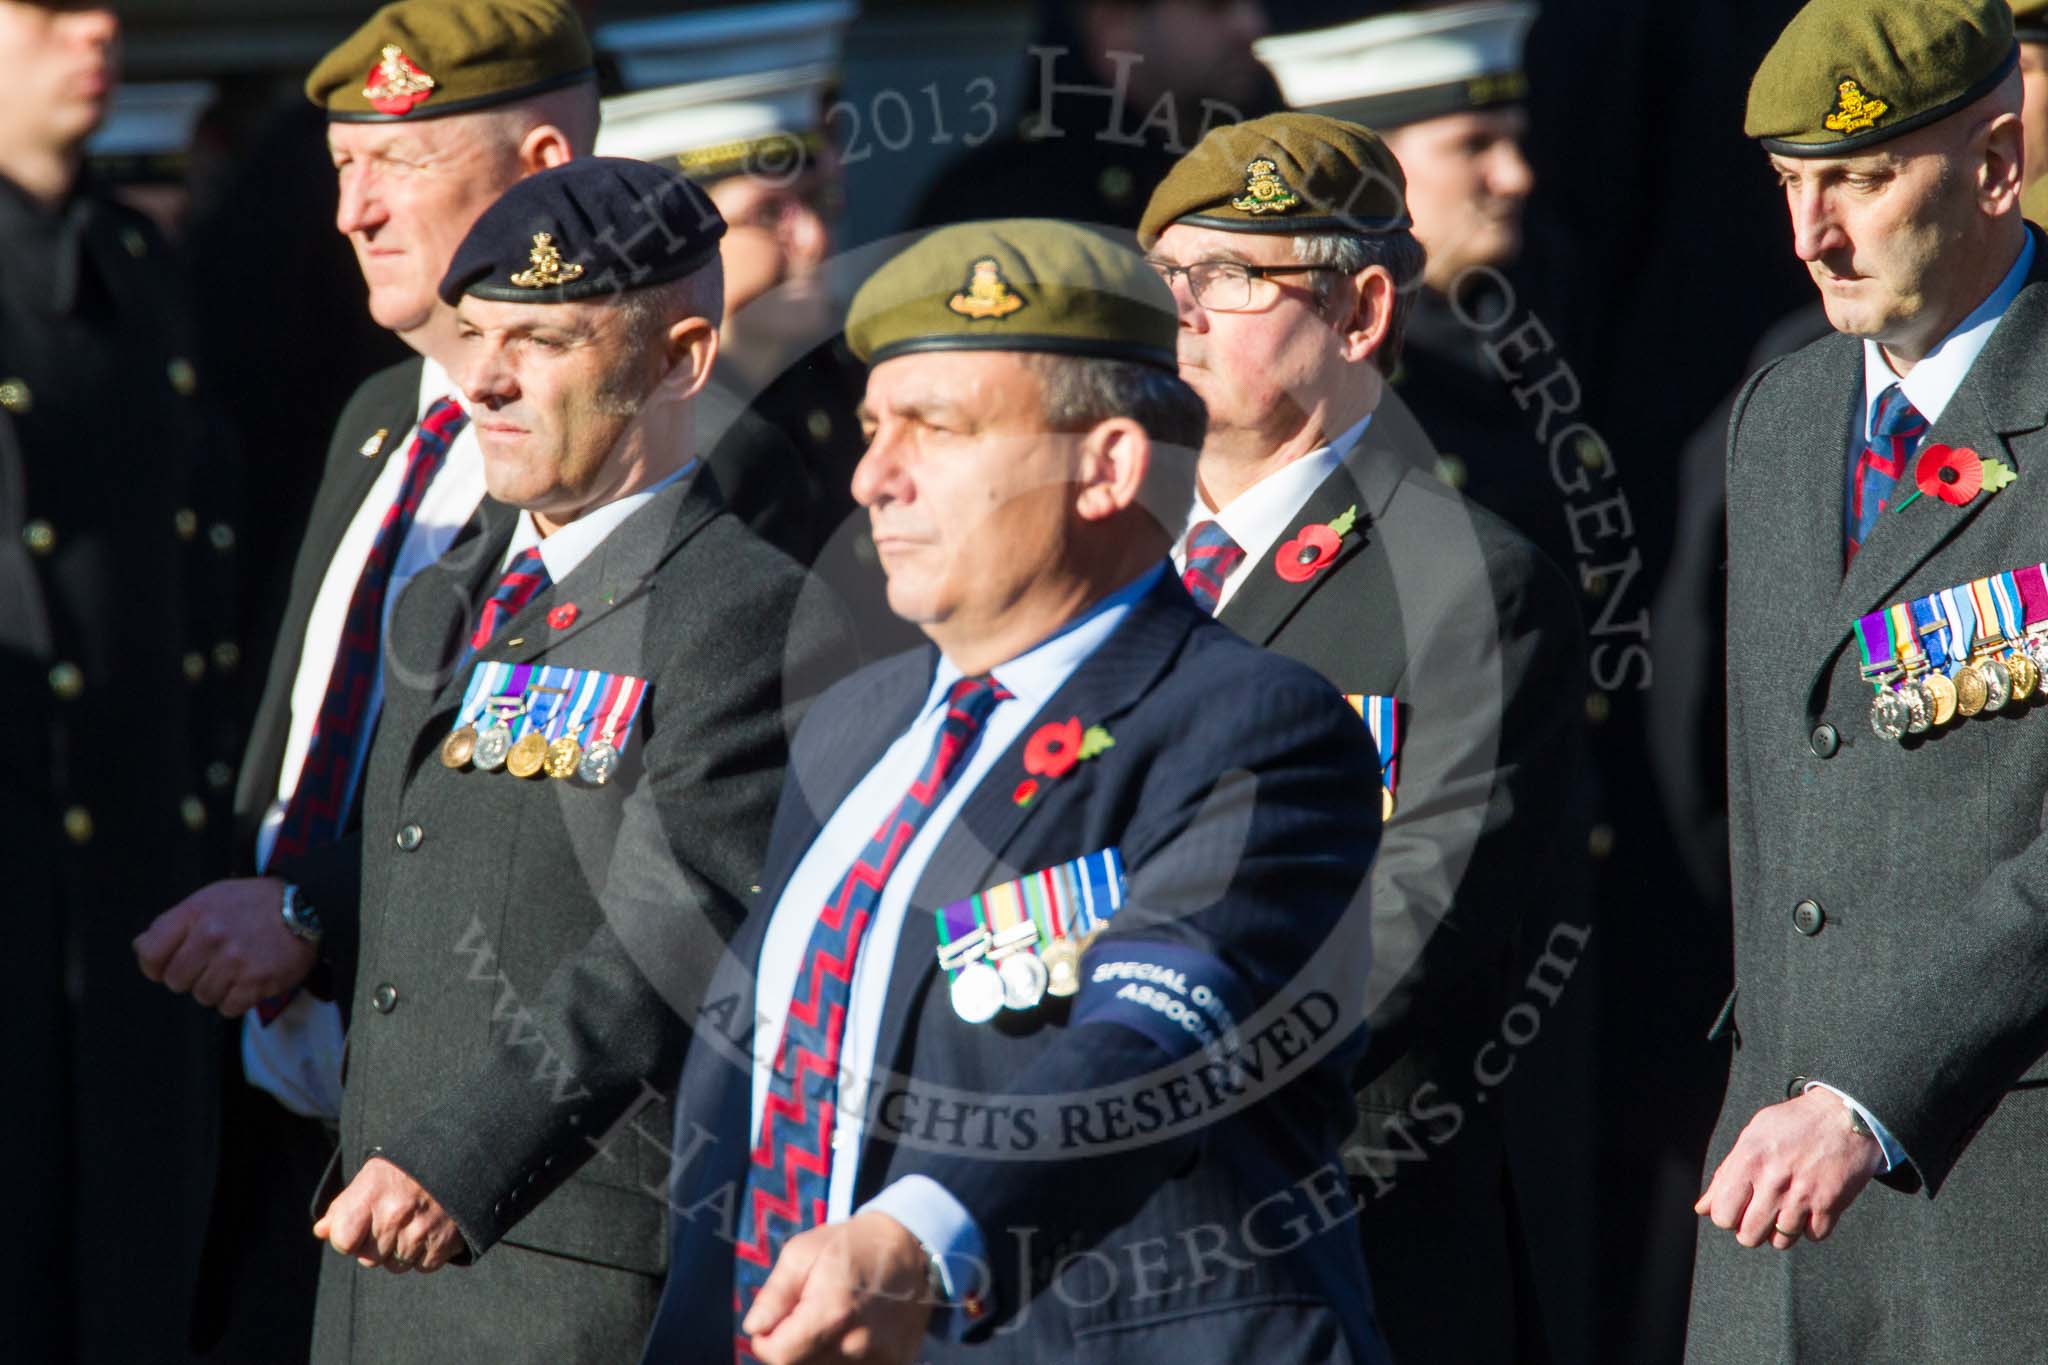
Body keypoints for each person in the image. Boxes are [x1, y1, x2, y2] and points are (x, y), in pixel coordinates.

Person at [640, 219, 1391, 1365]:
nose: (870, 477)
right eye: (871, 428)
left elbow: (1146, 1044)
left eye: (934, 429)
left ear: (1106, 466)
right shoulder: (853, 724)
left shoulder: (1251, 726)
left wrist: (919, 1235)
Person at [301, 155, 848, 1362]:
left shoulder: (738, 608)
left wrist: (468, 1154)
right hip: (378, 1248)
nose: (484, 379)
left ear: (678, 358)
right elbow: (438, 856)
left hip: (554, 1255)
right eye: (474, 334)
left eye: (541, 341)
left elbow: (673, 927)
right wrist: (301, 905)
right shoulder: (456, 587)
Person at [131, 2, 600, 1356]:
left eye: (396, 164)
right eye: (344, 170)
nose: (353, 212)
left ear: (541, 165)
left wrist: (311, 905)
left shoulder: (639, 453)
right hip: (279, 1141)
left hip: (481, 1177)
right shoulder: (380, 420)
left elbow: (594, 817)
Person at [1139, 112, 1589, 1363]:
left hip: (1351, 1227)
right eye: (1163, 279)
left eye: (1228, 278)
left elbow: (1412, 923)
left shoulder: (1465, 586)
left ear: (1361, 311)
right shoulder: (1103, 575)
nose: (1181, 312)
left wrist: (1146, 1073)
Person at [1689, 0, 2048, 1358]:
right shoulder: (1783, 420)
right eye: (1790, 183)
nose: (1811, 235)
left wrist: (1871, 1093)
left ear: (1998, 164)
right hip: (1780, 1197)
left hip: (2007, 1196)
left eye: (1860, 178)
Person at [0, 4, 237, 1359]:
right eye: (42, 8)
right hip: (14, 851)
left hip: (140, 861)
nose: (94, 29)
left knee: (138, 1273)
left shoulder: (138, 255)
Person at [595, 1, 912, 658]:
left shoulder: (848, 384)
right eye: (769, 213)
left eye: (822, 202)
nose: (817, 238)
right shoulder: (654, 437)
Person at [910, 0, 1281, 232]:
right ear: (1115, 27)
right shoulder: (1006, 207)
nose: (1251, 25)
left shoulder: (1290, 173)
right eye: (1214, 6)